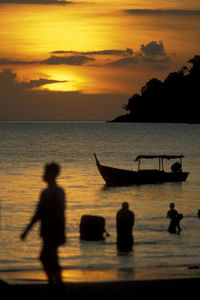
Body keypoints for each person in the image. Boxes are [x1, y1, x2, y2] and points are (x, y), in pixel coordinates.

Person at [21, 162, 66, 287]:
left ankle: (56, 282)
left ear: (53, 174)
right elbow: (38, 214)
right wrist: (27, 230)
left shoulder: (58, 191)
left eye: (46, 172)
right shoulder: (45, 192)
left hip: (54, 231)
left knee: (48, 258)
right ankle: (55, 281)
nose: (43, 174)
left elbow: (60, 213)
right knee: (49, 258)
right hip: (46, 231)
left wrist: (61, 233)